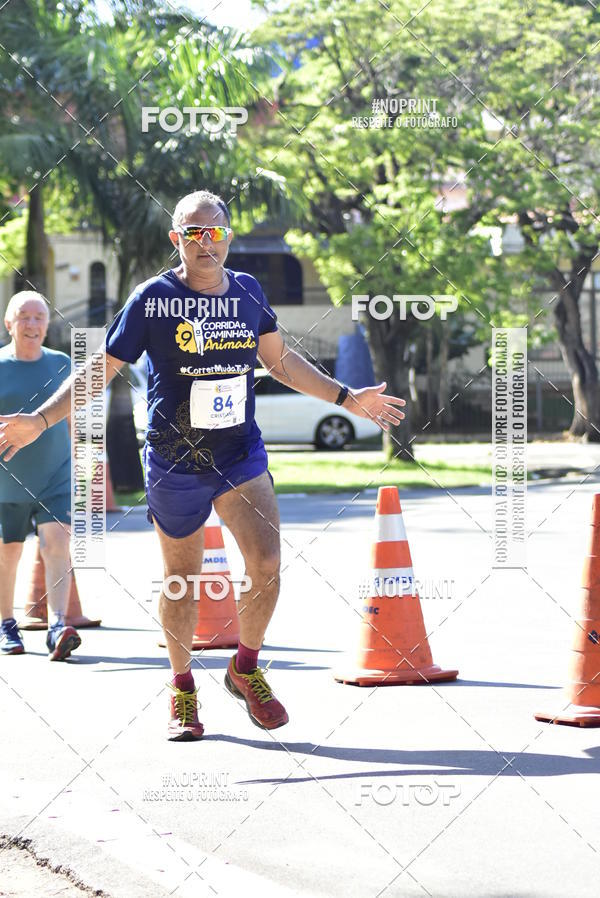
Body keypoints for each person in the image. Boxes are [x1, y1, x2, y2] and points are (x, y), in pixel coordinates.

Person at [0, 190, 405, 739]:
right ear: (177, 240)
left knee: (265, 563)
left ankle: (245, 668)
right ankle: (183, 688)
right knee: (181, 580)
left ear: (228, 236)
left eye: (213, 231)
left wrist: (344, 397)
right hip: (174, 462)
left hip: (240, 454)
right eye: (192, 232)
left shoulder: (248, 293)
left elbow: (280, 362)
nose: (204, 241)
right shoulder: (152, 299)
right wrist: (41, 421)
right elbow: (104, 367)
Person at [0, 291, 81, 661]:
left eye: (39, 318)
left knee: (56, 545)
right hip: (7, 480)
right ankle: (6, 625)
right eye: (24, 317)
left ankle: (58, 626)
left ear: (48, 325)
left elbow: (72, 419)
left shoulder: (63, 364)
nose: (32, 324)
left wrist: (80, 462)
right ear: (9, 323)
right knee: (8, 553)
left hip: (55, 478)